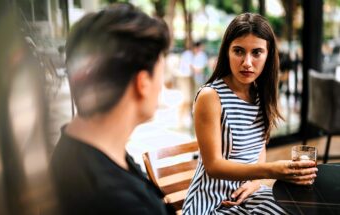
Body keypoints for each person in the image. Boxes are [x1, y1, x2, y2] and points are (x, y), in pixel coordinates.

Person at [182, 13, 318, 215]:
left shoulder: (261, 94)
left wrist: (255, 182)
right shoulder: (211, 96)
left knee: (301, 208)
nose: (247, 62)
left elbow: (258, 150)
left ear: (268, 55)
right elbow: (214, 166)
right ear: (226, 52)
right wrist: (271, 171)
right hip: (211, 203)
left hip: (248, 193)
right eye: (238, 51)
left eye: (256, 53)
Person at [50, 3, 174, 215]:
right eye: (162, 73)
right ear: (142, 83)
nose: (162, 86)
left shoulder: (78, 149)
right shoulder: (117, 201)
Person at [176, 41, 208, 129]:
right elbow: (193, 69)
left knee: (194, 101)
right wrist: (194, 68)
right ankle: (180, 121)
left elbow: (199, 69)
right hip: (186, 79)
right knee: (186, 100)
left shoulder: (202, 55)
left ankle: (190, 122)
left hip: (196, 81)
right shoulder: (187, 54)